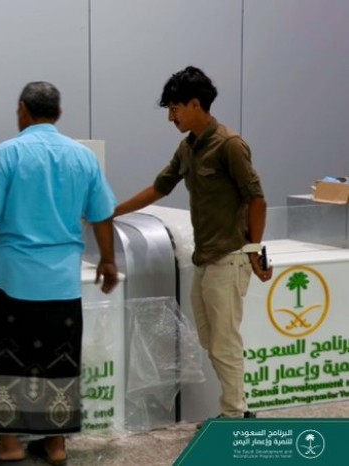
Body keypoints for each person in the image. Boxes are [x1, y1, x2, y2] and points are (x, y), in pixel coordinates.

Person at [0, 81, 118, 466]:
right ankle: (55, 445)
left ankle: (9, 446)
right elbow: (102, 215)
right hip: (62, 284)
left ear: (23, 110)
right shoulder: (83, 159)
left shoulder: (6, 154)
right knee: (59, 362)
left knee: (5, 360)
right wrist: (108, 260)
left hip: (13, 281)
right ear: (57, 113)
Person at [114, 66, 273, 422]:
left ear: (196, 104)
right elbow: (159, 188)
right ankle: (238, 409)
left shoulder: (229, 145)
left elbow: (257, 199)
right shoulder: (187, 148)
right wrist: (113, 211)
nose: (171, 117)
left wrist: (254, 250)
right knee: (209, 339)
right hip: (205, 259)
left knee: (224, 341)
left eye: (175, 108)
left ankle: (234, 416)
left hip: (230, 257)